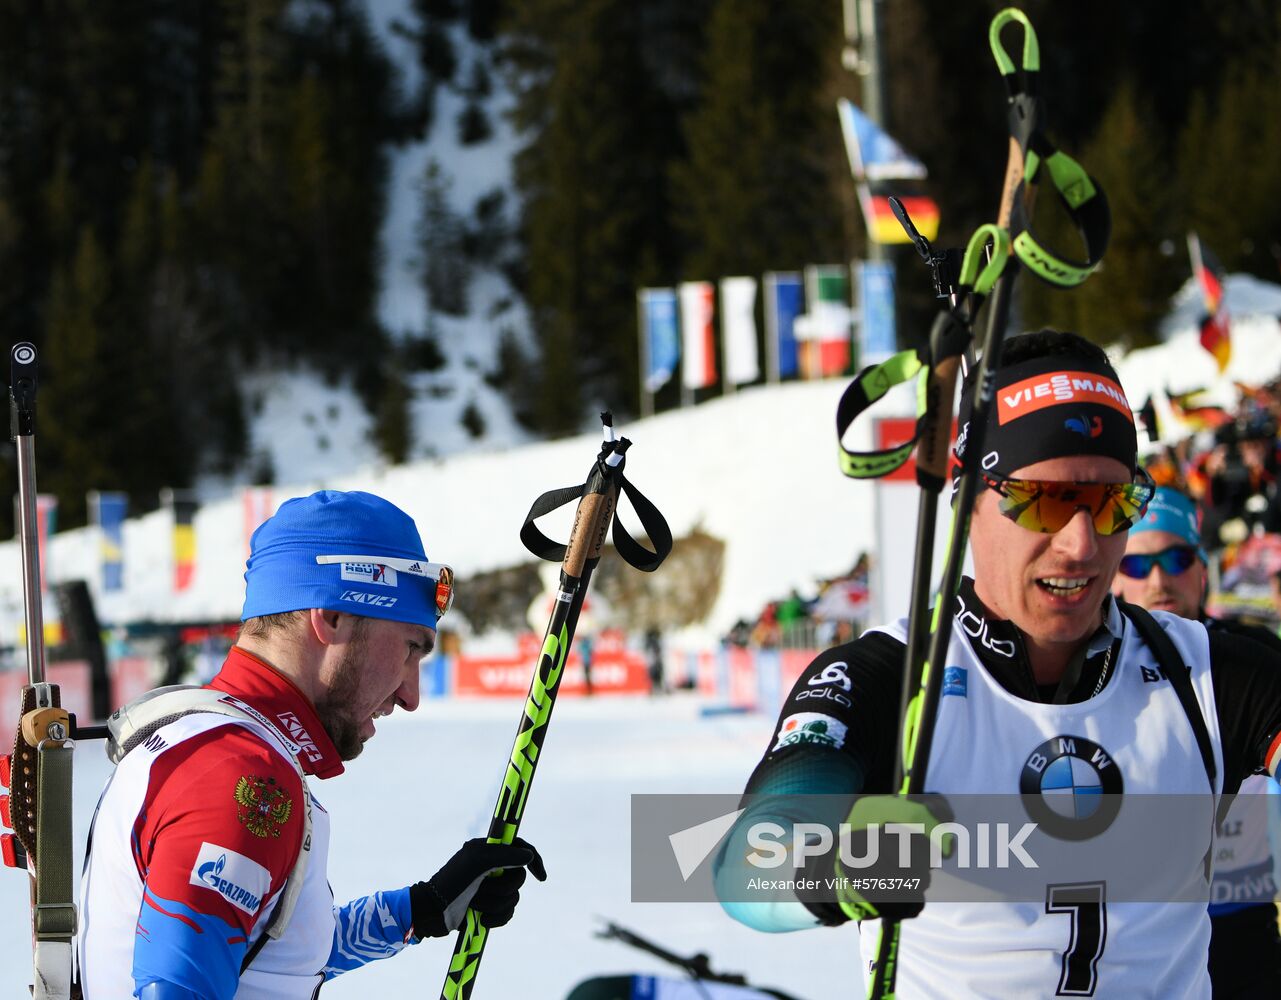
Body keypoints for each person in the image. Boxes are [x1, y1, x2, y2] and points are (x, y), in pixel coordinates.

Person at [714, 330, 1281, 998]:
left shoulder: (1207, 672)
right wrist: (846, 865)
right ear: (969, 502)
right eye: (1045, 500)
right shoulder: (883, 677)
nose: (1081, 544)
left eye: (1109, 503)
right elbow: (745, 868)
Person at [77, 490, 546, 999]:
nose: (411, 695)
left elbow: (264, 952)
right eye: (411, 648)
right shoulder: (241, 776)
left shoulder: (208, 739)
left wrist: (422, 908)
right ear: (333, 617)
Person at [1114, 486, 1281, 996]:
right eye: (1139, 565)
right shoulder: (1094, 675)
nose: (1160, 579)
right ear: (1115, 577)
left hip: (1245, 919)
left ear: (1203, 568)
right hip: (1141, 931)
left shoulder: (1252, 656)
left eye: (1177, 558)